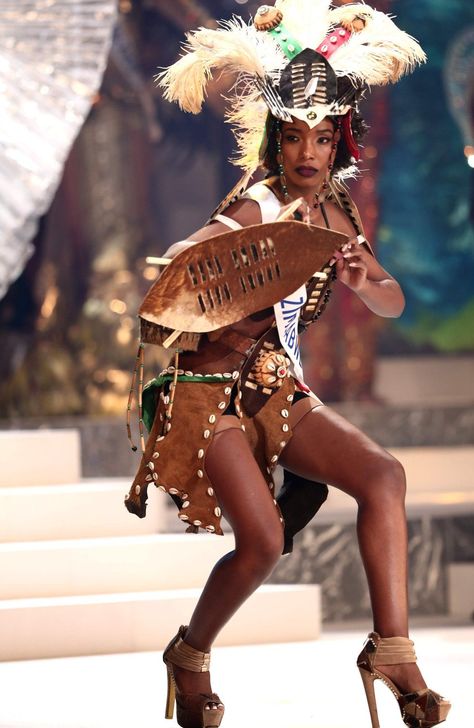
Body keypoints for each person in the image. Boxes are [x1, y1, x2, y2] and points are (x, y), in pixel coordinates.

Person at [125, 3, 451, 727]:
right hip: (208, 393)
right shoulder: (257, 207)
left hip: (274, 387)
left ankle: (392, 647)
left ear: (342, 142)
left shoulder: (338, 216)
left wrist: (370, 280)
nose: (310, 152)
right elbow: (189, 260)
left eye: (324, 137)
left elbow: (392, 302)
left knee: (383, 476)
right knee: (263, 542)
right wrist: (190, 260)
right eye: (297, 137)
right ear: (278, 141)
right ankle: (190, 652)